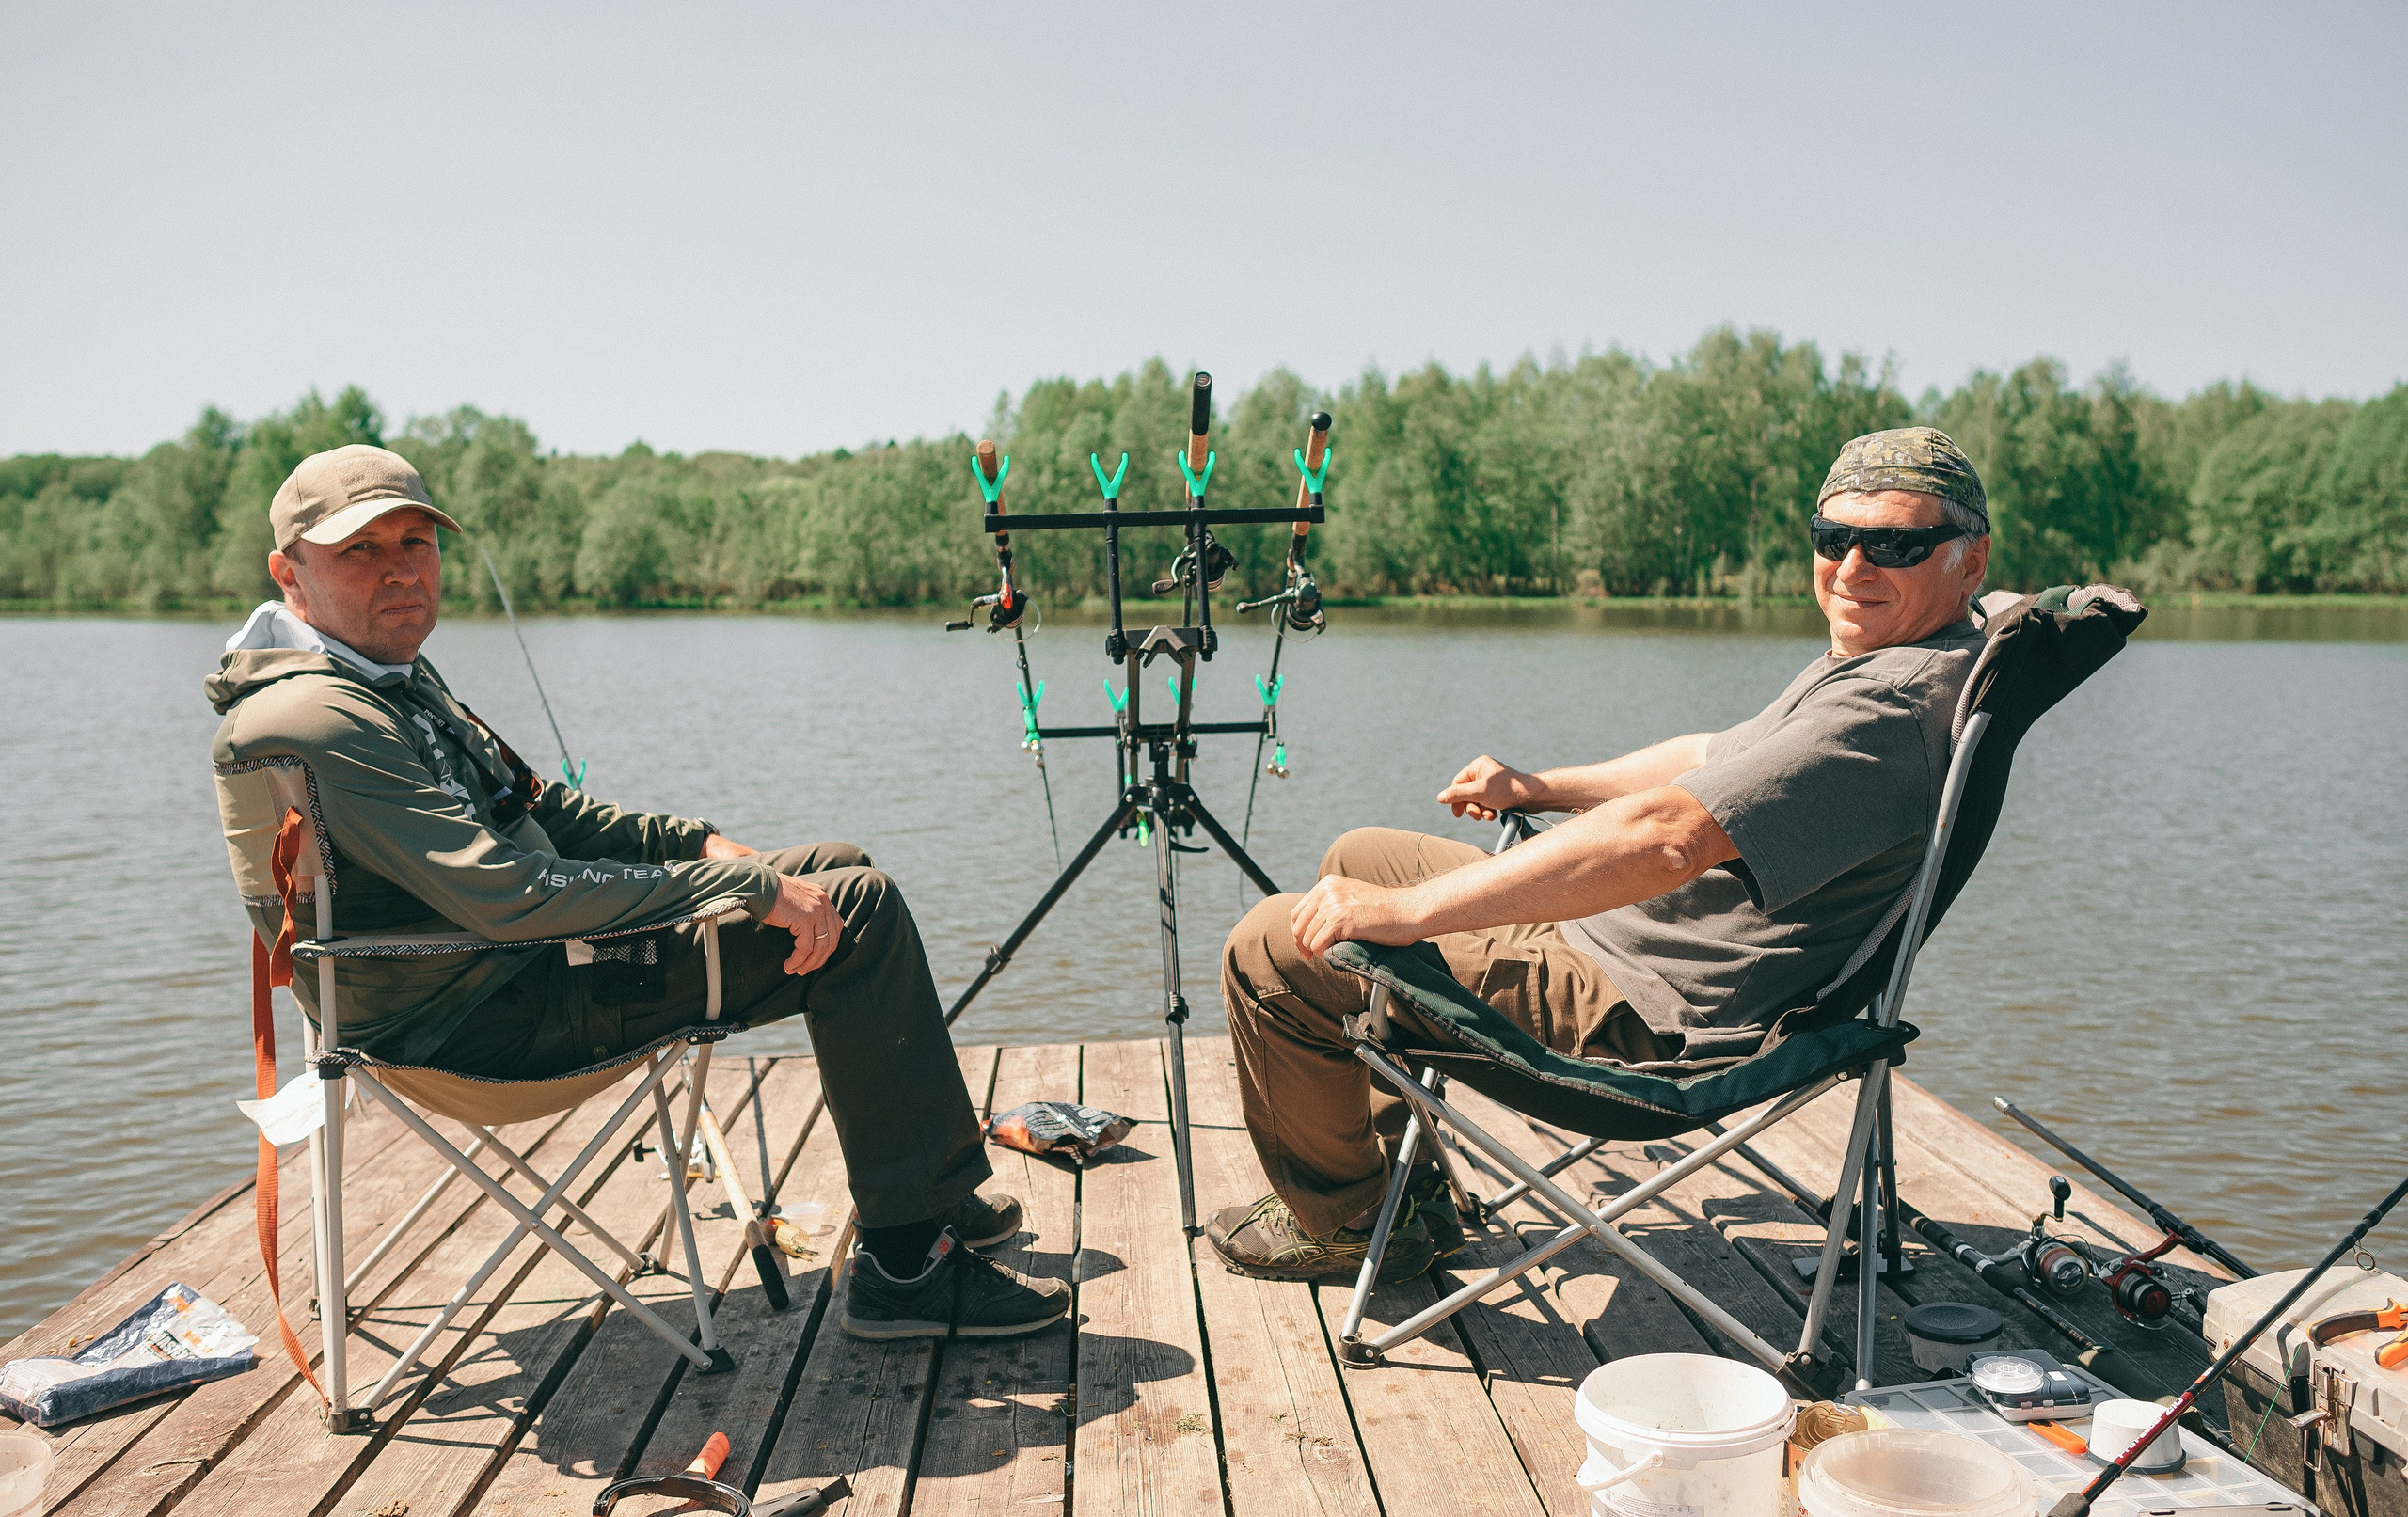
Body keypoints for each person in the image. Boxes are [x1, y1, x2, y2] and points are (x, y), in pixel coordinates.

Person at [207, 445, 1069, 1343]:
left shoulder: (382, 674)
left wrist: (694, 842)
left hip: (508, 969)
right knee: (859, 910)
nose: (399, 569)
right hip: (485, 1014)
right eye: (361, 549)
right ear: (289, 573)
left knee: (835, 866)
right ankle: (906, 1264)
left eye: (415, 542)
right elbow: (510, 895)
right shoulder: (326, 714)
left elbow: (539, 808)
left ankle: (925, 1196)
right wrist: (740, 885)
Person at [1206, 427, 1997, 1284]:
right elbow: (1708, 756)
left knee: (1273, 946)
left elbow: (1668, 835)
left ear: (1971, 561)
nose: (1852, 567)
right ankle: (1405, 1189)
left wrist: (1407, 915)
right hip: (1635, 943)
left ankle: (1352, 1221)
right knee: (1360, 857)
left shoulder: (1886, 706)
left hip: (1648, 1012)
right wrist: (1538, 786)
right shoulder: (1903, 659)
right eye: (1834, 537)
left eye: (1894, 544)